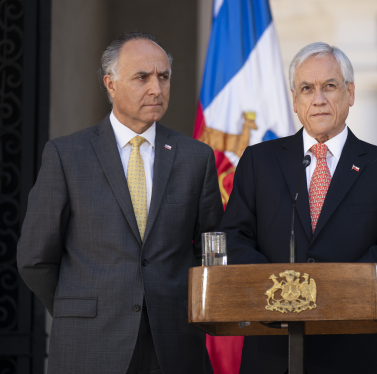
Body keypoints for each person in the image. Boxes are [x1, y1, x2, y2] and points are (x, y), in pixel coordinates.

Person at [17, 31, 223, 374]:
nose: (156, 88)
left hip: (173, 344)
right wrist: (81, 308)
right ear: (110, 84)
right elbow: (34, 258)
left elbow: (212, 251)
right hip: (89, 343)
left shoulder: (196, 157)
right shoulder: (67, 155)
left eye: (163, 77)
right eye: (142, 77)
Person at [223, 42, 377, 374]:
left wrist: (333, 290)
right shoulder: (259, 162)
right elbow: (235, 236)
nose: (319, 98)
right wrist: (276, 289)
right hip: (271, 345)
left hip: (349, 344)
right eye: (307, 89)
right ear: (295, 101)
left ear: (350, 93)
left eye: (330, 86)